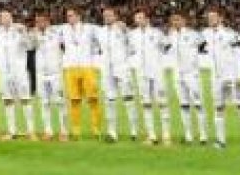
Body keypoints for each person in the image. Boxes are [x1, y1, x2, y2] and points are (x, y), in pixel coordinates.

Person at [204, 9, 240, 150]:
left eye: (213, 17)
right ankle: (221, 141)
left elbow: (239, 55)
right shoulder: (206, 34)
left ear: (221, 18)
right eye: (209, 17)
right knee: (218, 108)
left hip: (232, 76)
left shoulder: (231, 34)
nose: (211, 19)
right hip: (216, 77)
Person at [167, 13, 209, 144]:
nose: (176, 22)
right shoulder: (171, 35)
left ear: (184, 21)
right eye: (173, 20)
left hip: (192, 73)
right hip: (178, 74)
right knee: (184, 105)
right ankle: (188, 135)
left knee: (198, 104)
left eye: (178, 19)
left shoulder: (193, 34)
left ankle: (203, 135)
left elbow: (206, 46)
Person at [129, 11, 169, 145]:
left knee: (162, 102)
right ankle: (151, 135)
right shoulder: (132, 35)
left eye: (140, 18)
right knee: (146, 104)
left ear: (147, 18)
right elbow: (130, 50)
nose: (138, 20)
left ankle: (166, 134)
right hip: (141, 73)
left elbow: (167, 46)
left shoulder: (157, 33)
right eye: (136, 19)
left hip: (156, 71)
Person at [0, 11, 34, 140]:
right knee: (7, 100)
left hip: (19, 71)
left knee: (25, 99)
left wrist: (24, 32)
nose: (4, 19)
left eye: (6, 17)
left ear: (11, 18)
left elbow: (29, 46)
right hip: (5, 72)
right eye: (2, 17)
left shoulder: (19, 30)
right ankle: (12, 132)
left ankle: (30, 131)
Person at [61, 8, 102, 139]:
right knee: (74, 100)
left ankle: (96, 129)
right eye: (67, 16)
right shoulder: (62, 29)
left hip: (87, 67)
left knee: (93, 99)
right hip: (71, 68)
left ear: (78, 16)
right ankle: (76, 130)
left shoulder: (90, 28)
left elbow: (105, 32)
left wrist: (119, 24)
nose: (69, 18)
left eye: (71, 15)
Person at [97, 8, 136, 142]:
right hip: (107, 69)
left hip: (122, 68)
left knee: (128, 99)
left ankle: (134, 130)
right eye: (105, 16)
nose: (107, 17)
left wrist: (126, 31)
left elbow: (133, 46)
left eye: (109, 15)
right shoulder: (100, 32)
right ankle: (112, 132)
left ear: (115, 16)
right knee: (109, 100)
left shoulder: (122, 29)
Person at [32, 13, 68, 141]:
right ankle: (48, 131)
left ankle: (64, 131)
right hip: (41, 73)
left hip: (55, 73)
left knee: (60, 102)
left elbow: (68, 42)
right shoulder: (33, 34)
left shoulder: (57, 32)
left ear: (47, 21)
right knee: (44, 102)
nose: (39, 23)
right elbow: (27, 46)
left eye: (42, 21)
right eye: (37, 21)